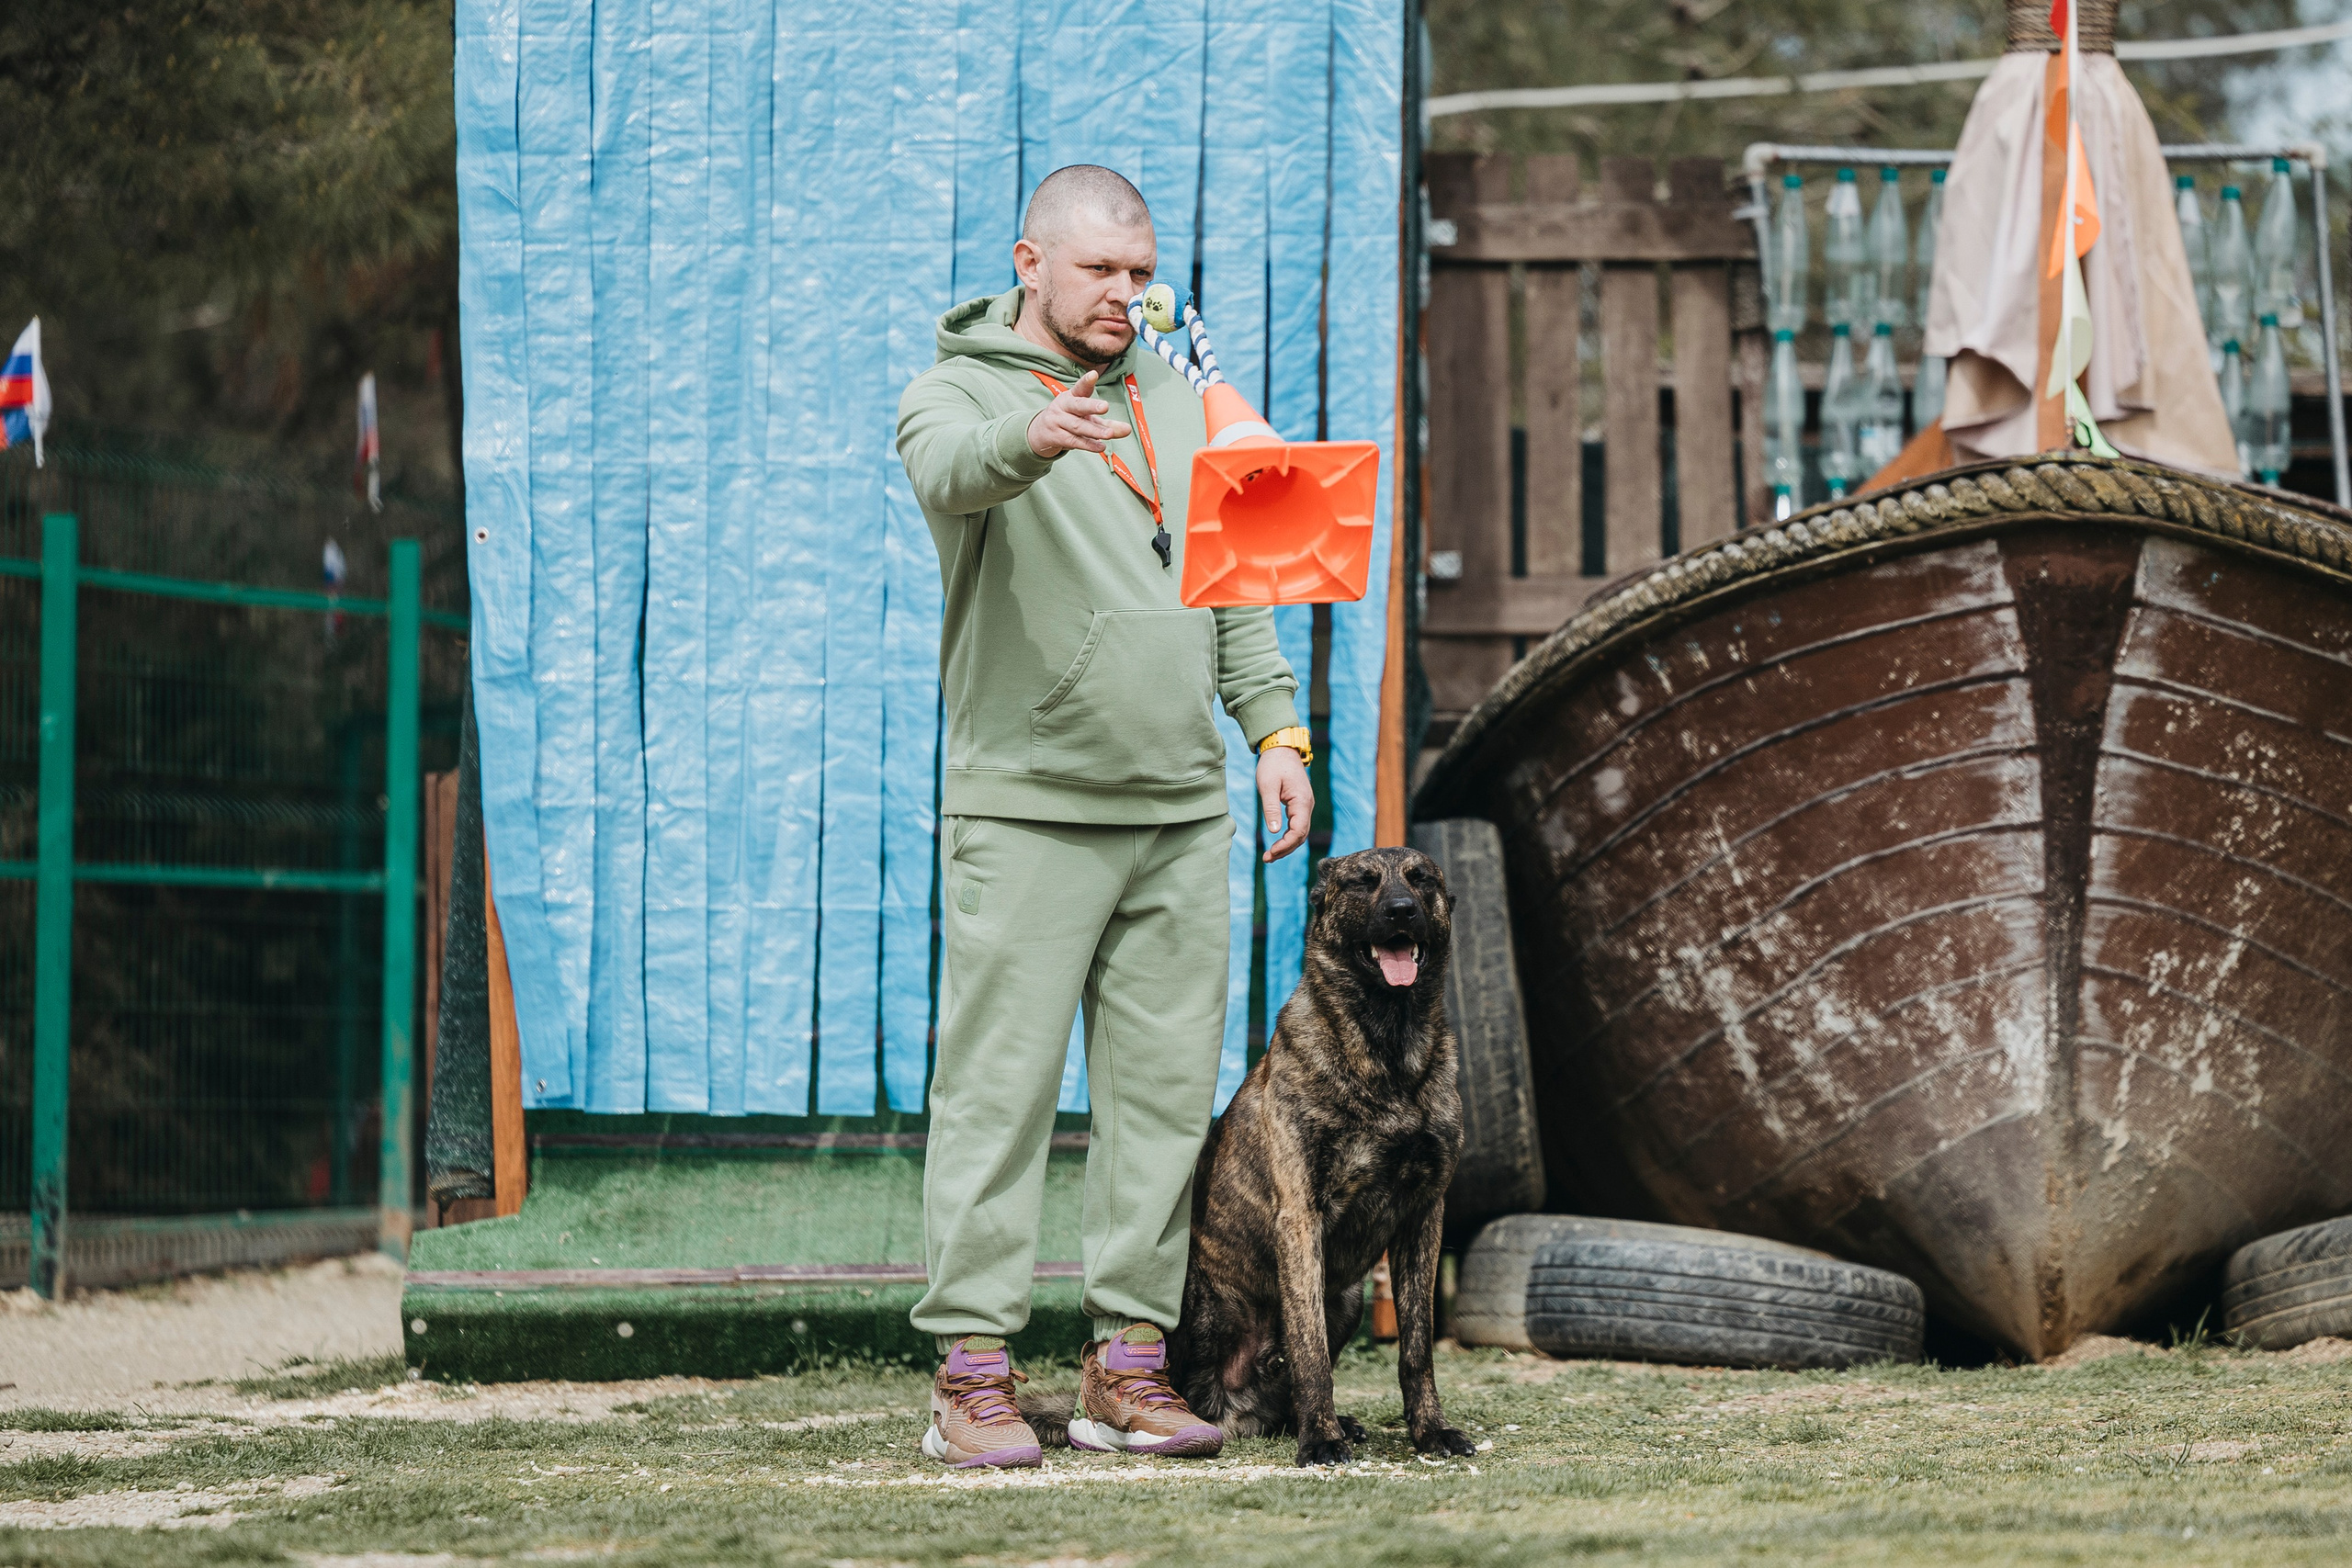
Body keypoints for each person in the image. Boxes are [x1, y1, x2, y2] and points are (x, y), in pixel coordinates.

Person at [894, 164, 1314, 1469]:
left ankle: (1127, 1366)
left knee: (1159, 1099)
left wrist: (1276, 730)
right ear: (1032, 261)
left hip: (1183, 809)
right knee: (996, 1096)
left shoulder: (1185, 402)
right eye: (1098, 273)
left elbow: (1240, 575)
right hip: (1026, 806)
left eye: (1140, 273)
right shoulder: (955, 390)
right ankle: (969, 1374)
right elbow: (951, 473)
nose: (1125, 294)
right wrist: (1032, 440)